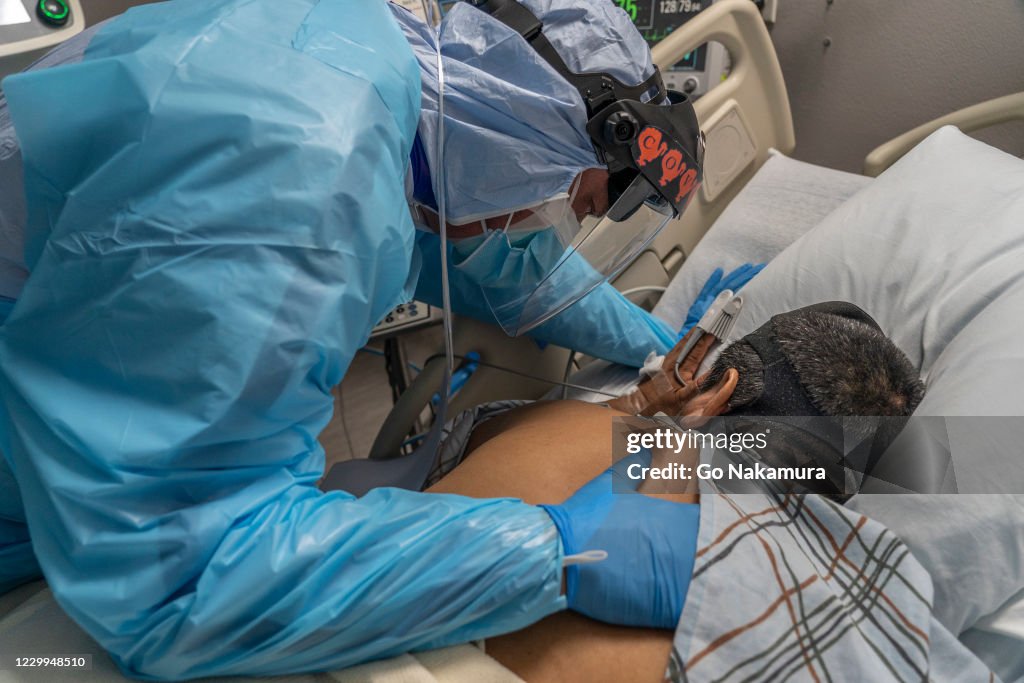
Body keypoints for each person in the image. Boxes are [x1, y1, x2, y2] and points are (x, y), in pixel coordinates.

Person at [0, 0, 712, 679]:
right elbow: (175, 577)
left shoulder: (378, 68)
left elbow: (503, 263)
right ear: (517, 139)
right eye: (566, 201)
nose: (537, 221)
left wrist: (660, 346)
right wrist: (555, 551)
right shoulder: (294, 164)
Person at [428, 301, 927, 682]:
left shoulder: (569, 429)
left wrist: (633, 406)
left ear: (721, 389)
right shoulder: (826, 578)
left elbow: (437, 465)